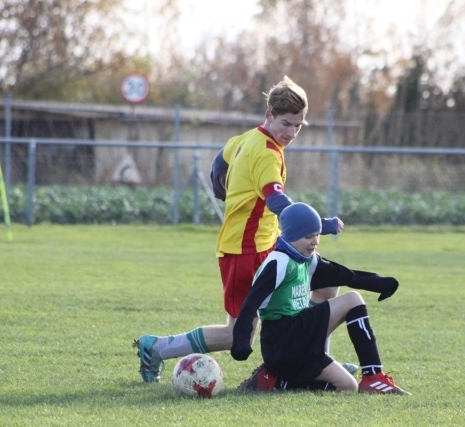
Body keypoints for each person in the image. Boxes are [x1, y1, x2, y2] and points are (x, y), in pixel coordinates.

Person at [134, 76, 344, 382]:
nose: (292, 133)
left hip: (269, 244)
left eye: (298, 126)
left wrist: (228, 190)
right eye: (286, 123)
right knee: (237, 334)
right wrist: (319, 224)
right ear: (269, 114)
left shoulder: (246, 139)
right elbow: (277, 202)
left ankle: (316, 362)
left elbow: (219, 164)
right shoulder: (266, 154)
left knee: (324, 284)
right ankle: (156, 347)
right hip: (243, 250)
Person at [231, 203, 409, 395]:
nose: (315, 241)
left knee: (348, 386)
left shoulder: (305, 258)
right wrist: (241, 342)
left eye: (317, 235)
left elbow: (342, 274)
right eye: (308, 236)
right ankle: (373, 377)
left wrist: (379, 283)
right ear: (290, 236)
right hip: (282, 339)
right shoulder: (279, 261)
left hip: (298, 343)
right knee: (352, 300)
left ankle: (276, 381)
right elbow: (251, 302)